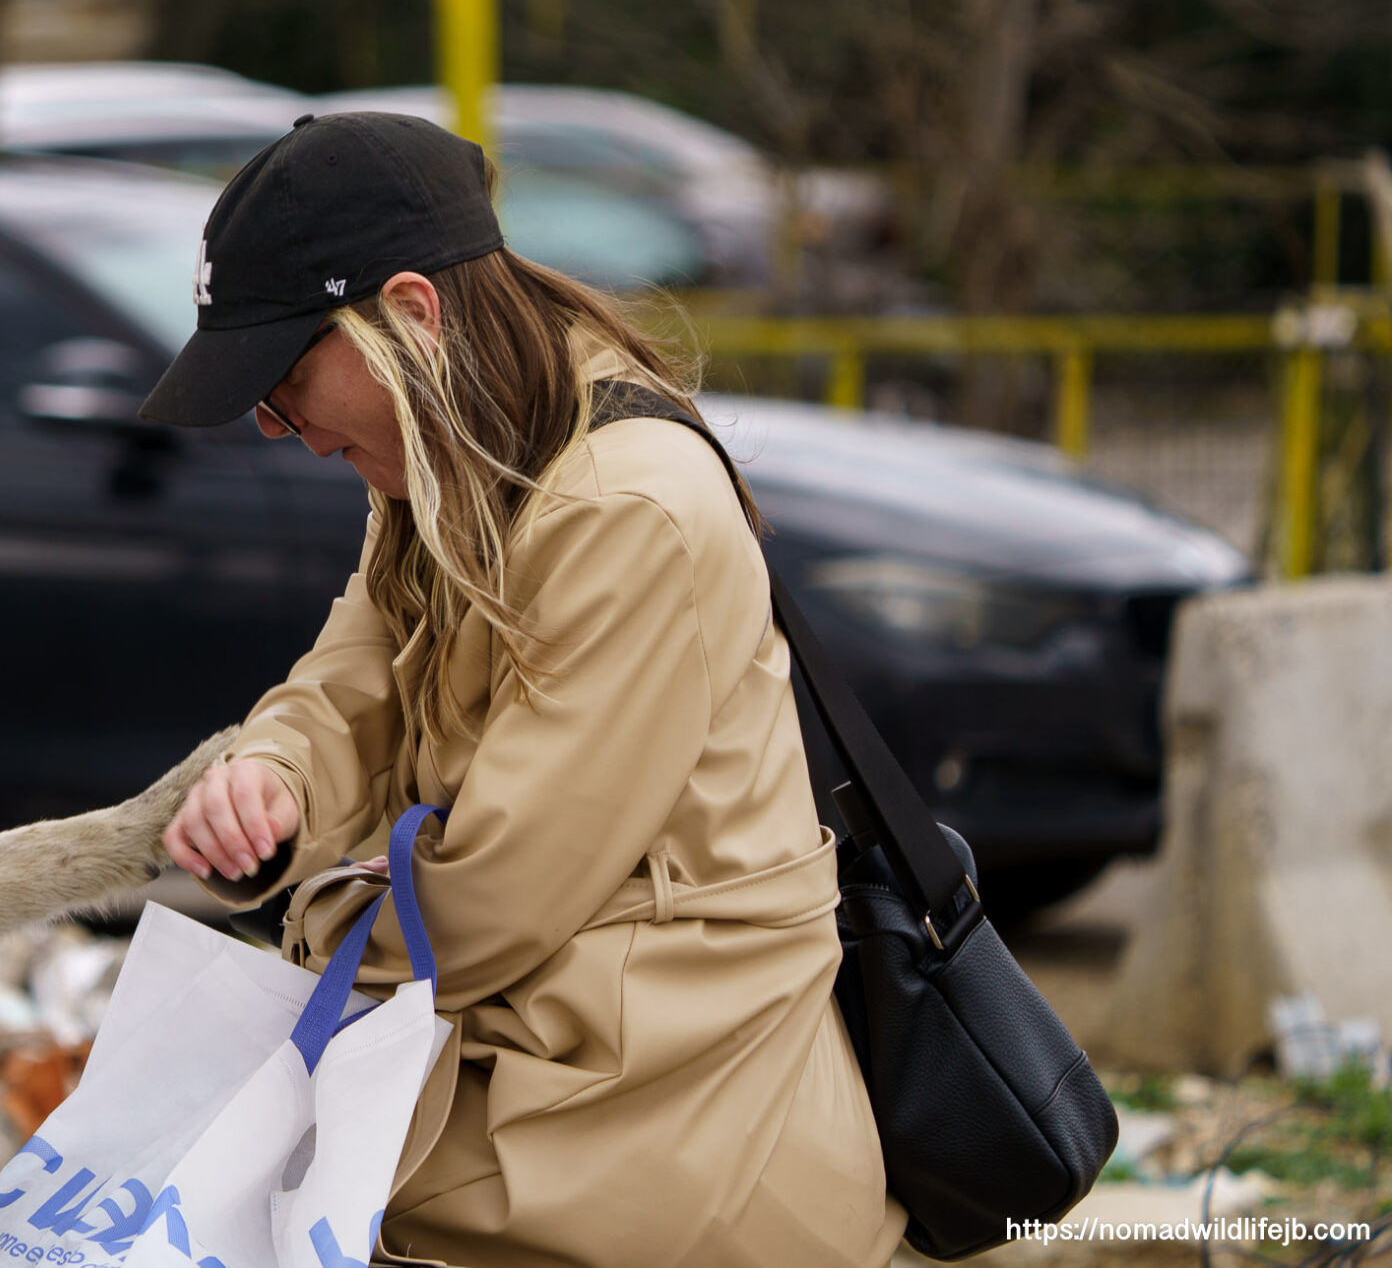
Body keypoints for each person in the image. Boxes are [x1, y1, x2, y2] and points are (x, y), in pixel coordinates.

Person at [143, 112, 903, 1268]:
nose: (277, 426)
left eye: (288, 373)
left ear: (410, 314)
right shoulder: (453, 456)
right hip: (552, 1100)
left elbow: (498, 894)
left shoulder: (622, 506)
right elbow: (353, 672)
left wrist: (303, 928)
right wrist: (274, 772)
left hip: (656, 1152)